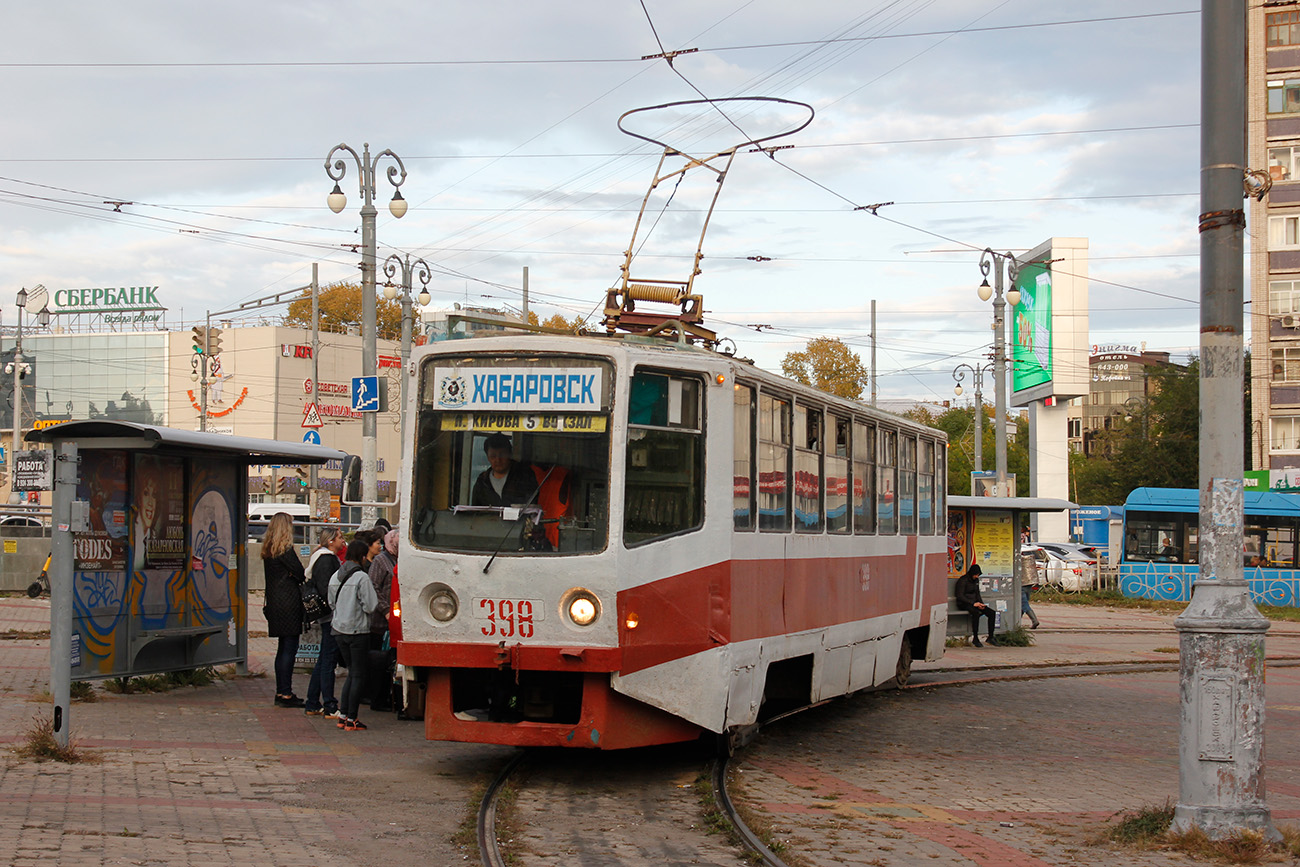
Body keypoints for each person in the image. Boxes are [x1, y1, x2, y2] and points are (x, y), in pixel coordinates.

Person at [329, 538, 379, 731]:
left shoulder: (336, 576)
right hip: (358, 631)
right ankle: (352, 718)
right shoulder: (361, 578)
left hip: (339, 629)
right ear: (361, 556)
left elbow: (331, 603)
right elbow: (371, 605)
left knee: (351, 672)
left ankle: (343, 716)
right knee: (358, 675)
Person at [261, 512, 307, 707]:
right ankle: (286, 693)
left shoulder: (269, 550)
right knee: (289, 647)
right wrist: (292, 574)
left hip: (274, 603)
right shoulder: (285, 550)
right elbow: (300, 573)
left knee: (282, 649)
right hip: (289, 603)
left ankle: (281, 691)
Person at [304, 528, 346, 718]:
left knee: (323, 659)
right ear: (330, 541)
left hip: (325, 615)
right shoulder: (327, 559)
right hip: (330, 616)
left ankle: (313, 702)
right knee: (328, 659)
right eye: (340, 537)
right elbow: (327, 587)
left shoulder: (320, 558)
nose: (343, 541)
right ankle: (329, 704)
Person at [367, 528, 399, 712]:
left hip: (394, 623)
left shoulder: (398, 560)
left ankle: (388, 696)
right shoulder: (381, 561)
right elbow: (373, 587)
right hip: (380, 623)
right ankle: (376, 698)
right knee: (378, 663)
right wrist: (385, 610)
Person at [471, 433, 538, 507]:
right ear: (487, 457)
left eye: (502, 455)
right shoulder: (482, 481)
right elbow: (475, 511)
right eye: (493, 456)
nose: (498, 460)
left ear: (510, 454)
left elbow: (532, 505)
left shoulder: (525, 476)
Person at [954, 563, 998, 648]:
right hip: (964, 603)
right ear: (972, 573)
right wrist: (973, 603)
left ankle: (991, 636)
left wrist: (981, 603)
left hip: (975, 603)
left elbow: (977, 594)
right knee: (975, 613)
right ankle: (975, 637)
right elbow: (960, 595)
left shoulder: (976, 581)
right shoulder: (963, 580)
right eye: (976, 575)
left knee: (991, 613)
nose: (977, 577)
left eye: (978, 575)